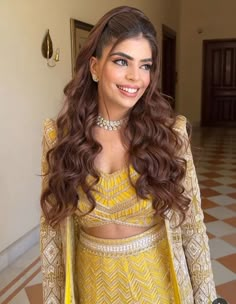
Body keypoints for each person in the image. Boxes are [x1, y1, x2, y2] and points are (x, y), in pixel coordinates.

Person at [40, 6, 217, 304]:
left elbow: (192, 226)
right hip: (92, 289)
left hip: (158, 288)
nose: (136, 77)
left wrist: (208, 298)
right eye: (122, 61)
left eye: (145, 66)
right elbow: (52, 236)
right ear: (95, 67)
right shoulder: (59, 138)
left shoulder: (169, 135)